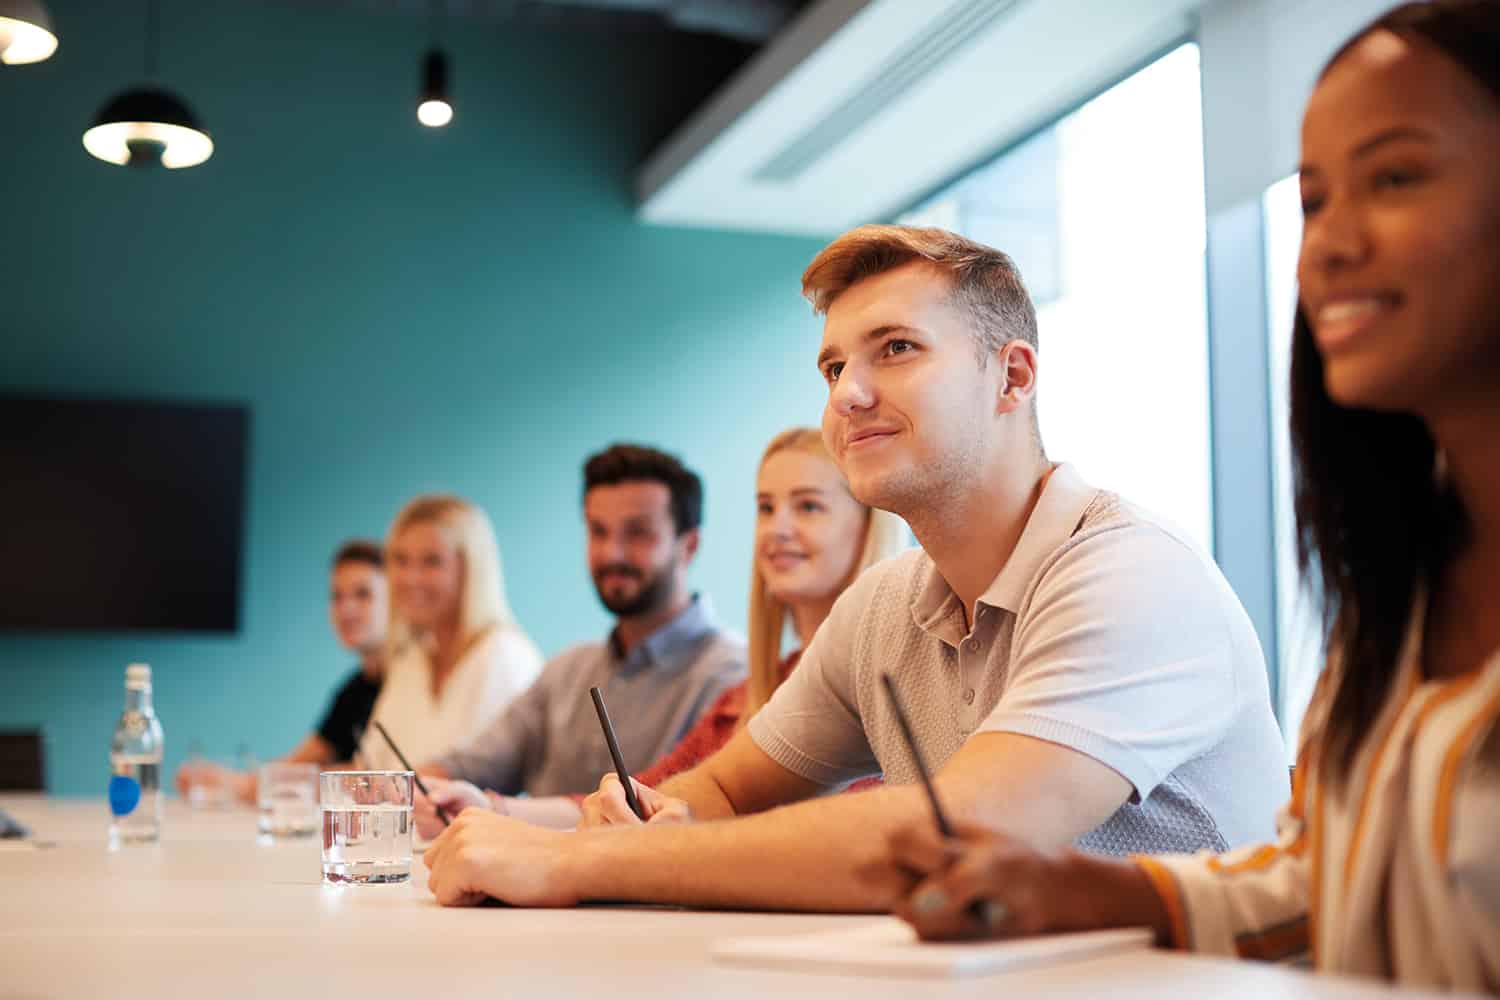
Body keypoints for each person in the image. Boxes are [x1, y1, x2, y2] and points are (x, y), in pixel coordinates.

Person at [870, 2, 1500, 990]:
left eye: (1396, 177)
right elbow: (1323, 875)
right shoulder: (1404, 581)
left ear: (1014, 377)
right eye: (1318, 198)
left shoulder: (1128, 567)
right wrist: (1091, 891)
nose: (1327, 245)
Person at [421, 225, 1287, 911]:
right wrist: (650, 817)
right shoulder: (883, 604)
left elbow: (955, 834)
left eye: (897, 349)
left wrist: (596, 860)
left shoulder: (1130, 575)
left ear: (1012, 376)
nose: (847, 393)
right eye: (834, 365)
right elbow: (725, 784)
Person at [415, 429, 906, 835]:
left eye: (808, 506)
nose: (777, 529)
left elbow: (847, 834)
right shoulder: (743, 695)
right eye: (765, 508)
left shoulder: (871, 684)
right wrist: (492, 810)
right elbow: (649, 793)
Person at [409, 445, 746, 829]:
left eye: (637, 533)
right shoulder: (566, 670)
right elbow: (472, 765)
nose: (611, 552)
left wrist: (496, 809)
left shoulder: (732, 677)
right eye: (598, 531)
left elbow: (676, 805)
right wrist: (405, 790)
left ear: (689, 546)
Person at [174, 539, 389, 803]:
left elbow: (375, 778)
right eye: (336, 596)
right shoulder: (353, 690)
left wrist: (243, 784)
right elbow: (297, 763)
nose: (346, 608)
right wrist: (230, 781)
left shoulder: (407, 687)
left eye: (363, 594)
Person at [361, 495, 543, 770]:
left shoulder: (504, 657)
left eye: (432, 561)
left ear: (471, 569)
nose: (411, 578)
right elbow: (368, 770)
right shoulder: (410, 660)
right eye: (401, 560)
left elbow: (491, 778)